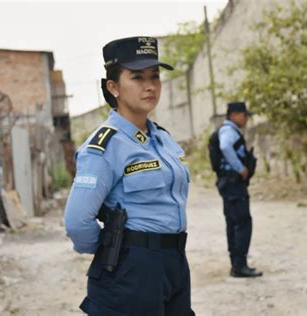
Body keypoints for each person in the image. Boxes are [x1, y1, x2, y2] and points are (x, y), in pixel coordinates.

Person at [64, 36, 194, 316]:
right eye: (137, 77)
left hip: (175, 262)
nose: (150, 86)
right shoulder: (105, 145)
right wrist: (118, 249)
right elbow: (77, 221)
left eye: (155, 76)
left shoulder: (163, 140)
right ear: (113, 87)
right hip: (132, 268)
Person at [216, 101, 262, 278]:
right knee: (242, 222)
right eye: (244, 115)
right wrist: (240, 168)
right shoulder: (228, 131)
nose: (246, 119)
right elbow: (225, 147)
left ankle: (236, 264)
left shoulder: (229, 130)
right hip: (234, 184)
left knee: (234, 222)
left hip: (229, 184)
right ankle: (239, 265)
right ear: (234, 115)